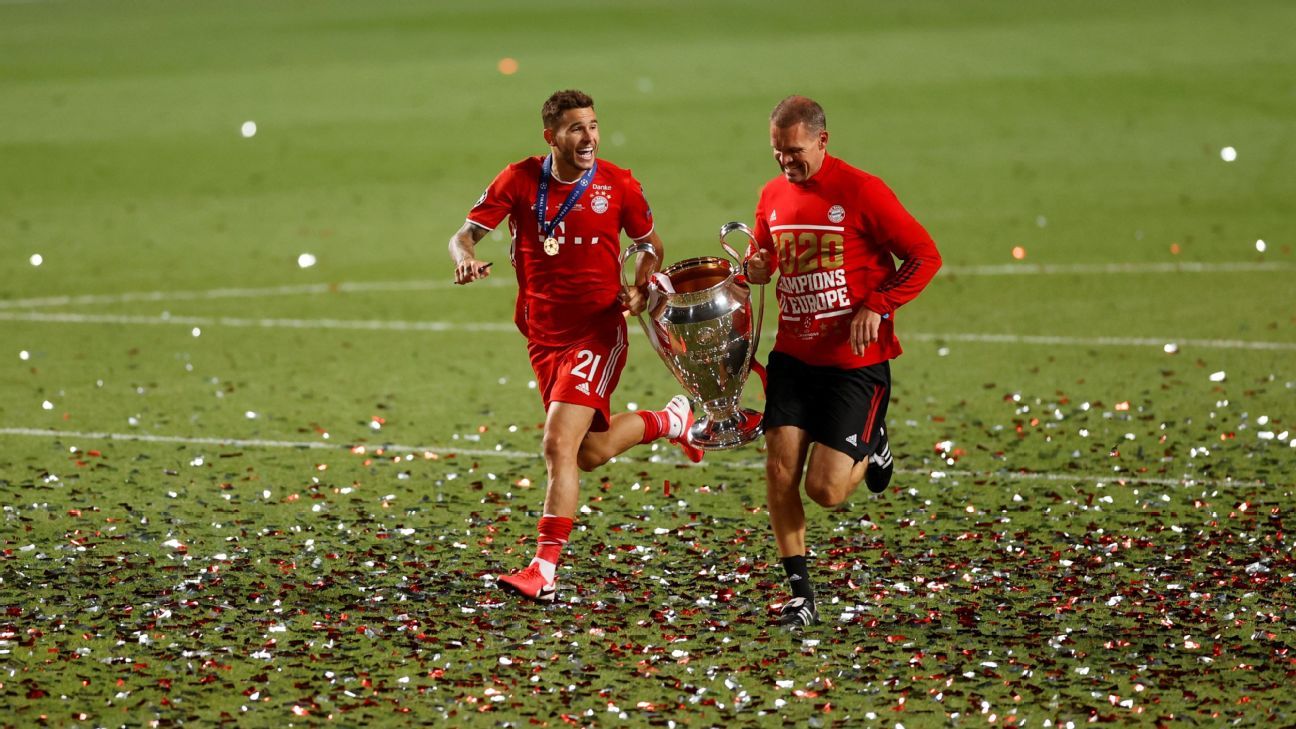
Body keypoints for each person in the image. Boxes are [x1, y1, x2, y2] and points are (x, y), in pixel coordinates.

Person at [448, 89, 703, 604]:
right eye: (575, 129)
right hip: (542, 336)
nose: (588, 138)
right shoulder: (518, 179)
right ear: (551, 137)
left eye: (592, 126)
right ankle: (670, 421)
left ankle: (544, 570)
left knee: (557, 445)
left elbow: (651, 244)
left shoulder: (618, 183)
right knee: (588, 453)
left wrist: (639, 283)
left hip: (596, 332)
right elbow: (464, 234)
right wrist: (464, 257)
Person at [744, 95, 942, 627]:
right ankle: (800, 594)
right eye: (777, 152)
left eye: (795, 151)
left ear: (823, 142)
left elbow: (925, 256)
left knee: (825, 490)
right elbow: (763, 258)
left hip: (855, 364)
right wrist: (757, 266)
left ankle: (874, 441)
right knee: (780, 471)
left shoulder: (862, 191)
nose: (786, 162)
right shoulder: (771, 196)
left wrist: (879, 305)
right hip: (793, 357)